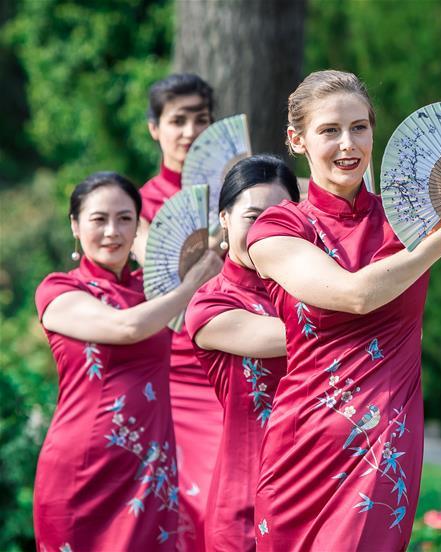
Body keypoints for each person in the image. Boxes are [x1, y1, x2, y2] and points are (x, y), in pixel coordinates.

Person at [246, 69, 441, 551]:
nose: (348, 143)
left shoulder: (405, 220)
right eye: (329, 131)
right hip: (302, 443)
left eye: (359, 127)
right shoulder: (278, 228)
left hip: (382, 441)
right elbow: (355, 295)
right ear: (298, 140)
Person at [33, 172, 221, 551]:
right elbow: (128, 327)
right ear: (75, 224)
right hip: (84, 470)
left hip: (149, 469)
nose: (112, 232)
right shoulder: (60, 290)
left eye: (124, 219)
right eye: (98, 219)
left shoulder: (153, 290)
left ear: (138, 225)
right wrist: (193, 282)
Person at [184, 155, 299, 551]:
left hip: (321, 489)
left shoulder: (312, 290)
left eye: (280, 217)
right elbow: (299, 337)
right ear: (225, 219)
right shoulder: (210, 305)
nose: (266, 231)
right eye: (252, 217)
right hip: (246, 503)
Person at [130, 73, 222, 549]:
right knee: (185, 508)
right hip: (176, 374)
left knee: (231, 507)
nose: (190, 131)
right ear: (154, 128)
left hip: (233, 363)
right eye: (177, 120)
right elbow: (166, 265)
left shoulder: (239, 194)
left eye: (201, 120)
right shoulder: (138, 206)